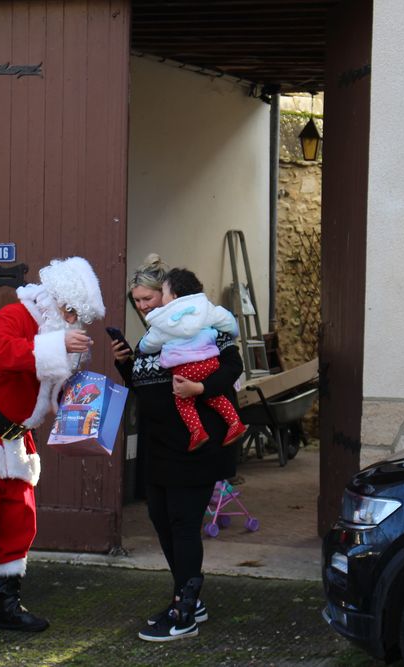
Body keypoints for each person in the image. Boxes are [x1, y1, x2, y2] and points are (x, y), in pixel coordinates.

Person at [0, 256, 105, 646]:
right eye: (69, 313)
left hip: (16, 440)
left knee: (19, 524)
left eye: (76, 317)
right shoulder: (14, 316)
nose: (71, 322)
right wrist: (58, 343)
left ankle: (4, 605)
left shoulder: (53, 331)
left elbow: (50, 387)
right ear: (55, 301)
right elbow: (2, 354)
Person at [112, 254, 242, 642]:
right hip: (159, 447)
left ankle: (184, 611)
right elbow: (142, 387)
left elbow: (232, 367)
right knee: (160, 518)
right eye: (136, 301)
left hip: (196, 445)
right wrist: (125, 364)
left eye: (149, 298)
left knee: (184, 524)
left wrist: (201, 388)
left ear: (169, 296)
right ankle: (186, 595)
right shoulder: (151, 339)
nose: (143, 306)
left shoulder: (206, 326)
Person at [138, 268, 247, 451]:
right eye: (137, 300)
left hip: (184, 369)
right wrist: (233, 333)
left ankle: (197, 431)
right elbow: (228, 322)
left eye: (162, 293)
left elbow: (148, 344)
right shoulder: (206, 309)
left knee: (183, 401)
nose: (142, 305)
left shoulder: (164, 319)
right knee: (215, 398)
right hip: (209, 362)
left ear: (173, 295)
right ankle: (235, 422)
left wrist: (142, 346)